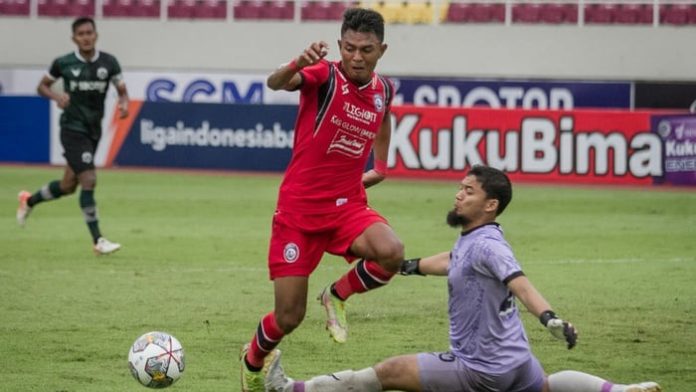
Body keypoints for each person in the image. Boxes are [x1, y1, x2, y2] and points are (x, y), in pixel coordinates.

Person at [264, 165, 662, 392]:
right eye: (459, 188)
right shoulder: (478, 239)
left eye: (468, 191)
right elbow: (452, 261)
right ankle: (620, 391)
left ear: (490, 205)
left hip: (481, 368)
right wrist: (407, 266)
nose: (458, 195)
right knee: (545, 386)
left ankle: (290, 389)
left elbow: (520, 283)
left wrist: (549, 318)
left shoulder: (490, 248)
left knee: (387, 373)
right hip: (516, 360)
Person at [239, 7, 405, 392]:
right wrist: (298, 61)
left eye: (366, 49)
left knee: (391, 252)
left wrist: (380, 165)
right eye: (349, 48)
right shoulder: (324, 75)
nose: (356, 57)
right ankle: (252, 361)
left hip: (348, 208)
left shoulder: (384, 89)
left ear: (382, 49)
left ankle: (336, 295)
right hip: (298, 213)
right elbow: (275, 82)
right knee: (288, 316)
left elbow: (384, 117)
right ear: (339, 46)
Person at [17, 17, 129, 255]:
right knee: (89, 179)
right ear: (74, 38)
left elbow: (121, 90)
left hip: (93, 130)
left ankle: (28, 201)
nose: (86, 37)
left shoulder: (109, 63)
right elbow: (42, 86)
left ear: (96, 35)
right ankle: (98, 240)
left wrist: (124, 103)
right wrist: (57, 97)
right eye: (81, 34)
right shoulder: (64, 63)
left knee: (68, 185)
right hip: (72, 128)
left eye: (90, 32)